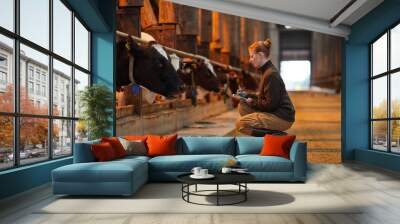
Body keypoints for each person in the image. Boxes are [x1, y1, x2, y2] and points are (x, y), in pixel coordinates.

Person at [232, 38, 295, 136]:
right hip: (275, 112)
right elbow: (264, 96)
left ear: (261, 55)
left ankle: (275, 135)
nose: (250, 60)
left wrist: (252, 102)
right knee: (243, 106)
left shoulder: (270, 74)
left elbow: (270, 105)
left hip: (282, 116)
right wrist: (247, 95)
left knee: (241, 124)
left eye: (252, 56)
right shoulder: (266, 71)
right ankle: (267, 132)